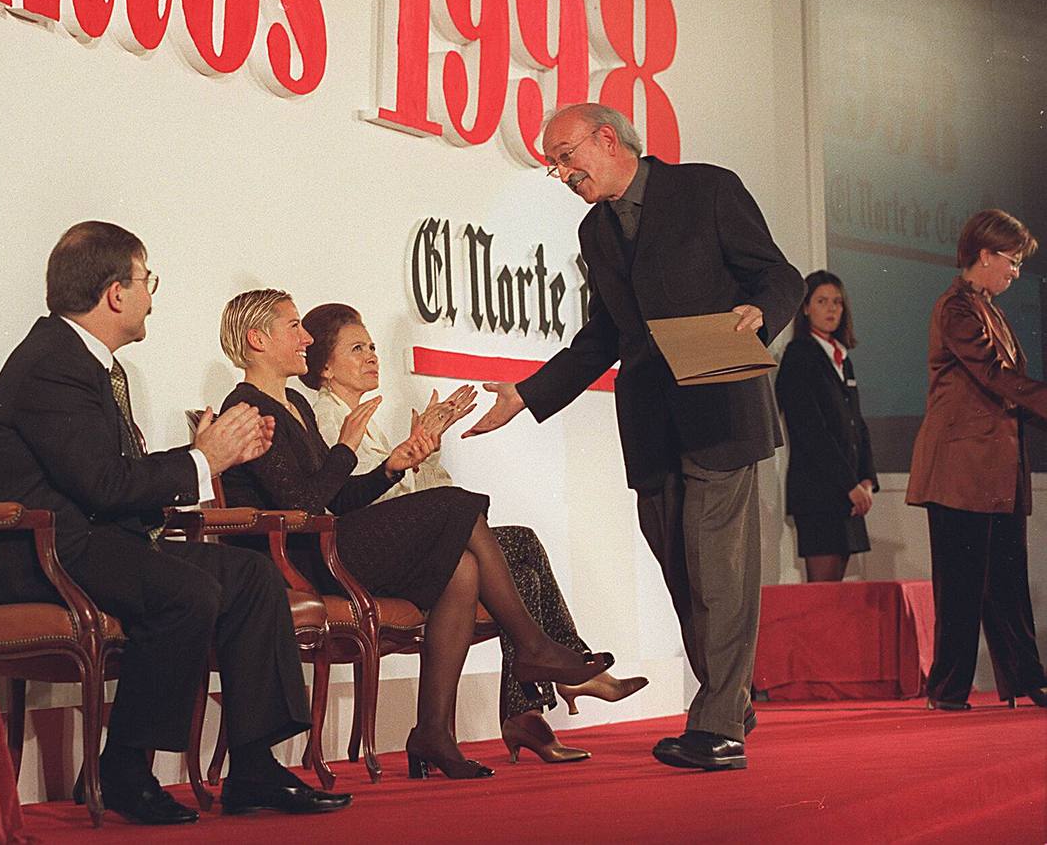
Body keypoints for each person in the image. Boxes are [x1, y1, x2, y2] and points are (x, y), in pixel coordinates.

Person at [0, 221, 351, 824]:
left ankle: (253, 766)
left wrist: (200, 462)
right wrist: (203, 460)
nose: (152, 295)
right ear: (116, 292)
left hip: (91, 541)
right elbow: (101, 485)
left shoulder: (87, 363)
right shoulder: (52, 363)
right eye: (148, 280)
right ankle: (124, 767)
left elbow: (107, 481)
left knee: (250, 576)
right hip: (40, 553)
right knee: (186, 590)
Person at [464, 103, 803, 771]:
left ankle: (716, 727)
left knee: (719, 571)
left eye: (565, 156)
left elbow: (777, 275)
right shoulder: (596, 230)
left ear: (606, 139)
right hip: (651, 424)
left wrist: (760, 312)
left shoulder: (705, 189)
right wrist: (527, 395)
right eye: (553, 164)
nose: (560, 173)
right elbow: (603, 336)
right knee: (682, 571)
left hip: (720, 407)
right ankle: (729, 700)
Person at [216, 289, 614, 781]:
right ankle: (533, 646)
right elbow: (302, 505)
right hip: (301, 561)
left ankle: (434, 732)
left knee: (461, 568)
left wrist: (390, 467)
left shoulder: (293, 401)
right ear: (258, 339)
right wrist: (345, 447)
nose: (305, 338)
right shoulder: (248, 406)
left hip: (326, 540)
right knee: (456, 506)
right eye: (294, 327)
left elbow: (335, 499)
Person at [300, 302, 649, 764]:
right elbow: (373, 508)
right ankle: (546, 681)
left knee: (514, 555)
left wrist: (424, 451)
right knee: (513, 544)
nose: (372, 357)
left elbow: (421, 501)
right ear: (324, 367)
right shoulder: (329, 421)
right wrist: (410, 458)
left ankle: (528, 701)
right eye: (357, 348)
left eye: (373, 346)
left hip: (402, 544)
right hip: (369, 558)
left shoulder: (367, 419)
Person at [906, 208, 1047, 711]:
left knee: (1007, 582)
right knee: (962, 588)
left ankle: (1029, 680)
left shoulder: (986, 306)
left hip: (995, 472)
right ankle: (948, 692)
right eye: (1011, 260)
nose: (1016, 271)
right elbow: (992, 374)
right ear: (984, 254)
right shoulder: (957, 308)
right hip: (960, 471)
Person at [774, 270, 878, 582]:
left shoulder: (842, 358)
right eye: (822, 301)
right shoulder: (799, 356)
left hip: (848, 492)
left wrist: (866, 479)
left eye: (837, 302)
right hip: (819, 492)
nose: (831, 309)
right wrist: (850, 484)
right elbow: (809, 430)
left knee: (838, 598)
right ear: (805, 308)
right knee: (823, 596)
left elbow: (857, 425)